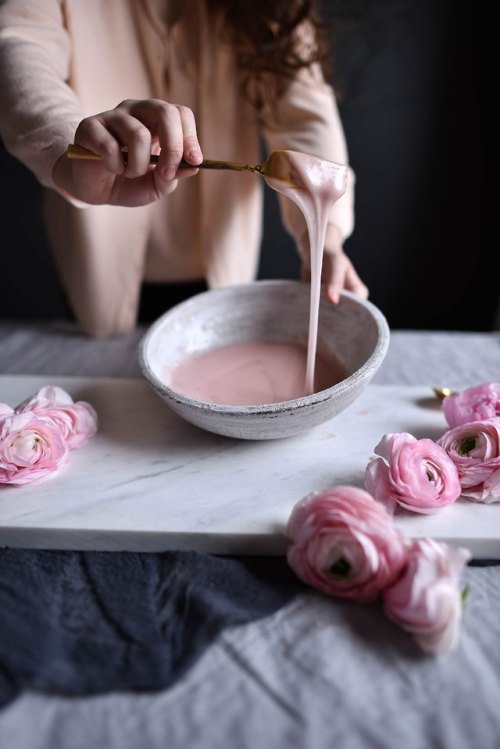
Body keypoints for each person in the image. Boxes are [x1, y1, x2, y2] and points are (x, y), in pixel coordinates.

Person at [0, 0, 368, 337]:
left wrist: (325, 238)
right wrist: (69, 146)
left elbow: (306, 120)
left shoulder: (274, 8)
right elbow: (20, 46)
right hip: (94, 267)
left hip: (224, 272)